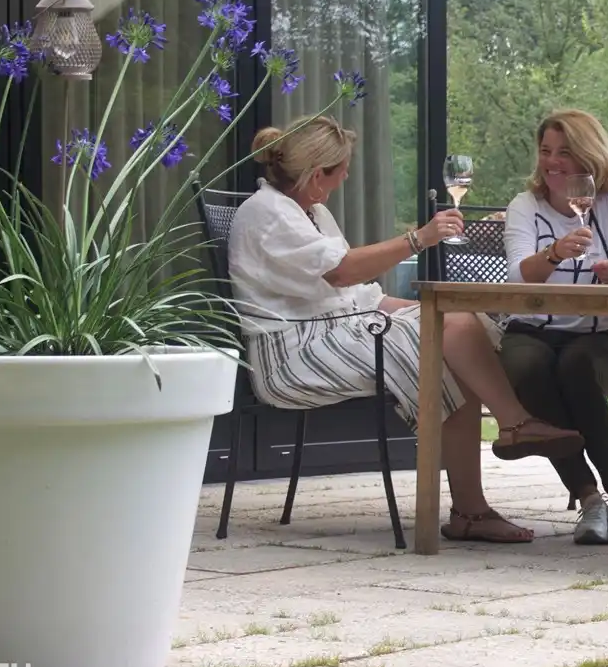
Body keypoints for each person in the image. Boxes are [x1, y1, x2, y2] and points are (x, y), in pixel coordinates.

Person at [227, 114, 584, 544]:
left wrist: (428, 309)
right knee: (443, 343)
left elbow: (359, 296)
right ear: (317, 175)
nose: (346, 177)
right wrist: (419, 239)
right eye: (342, 170)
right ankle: (495, 463)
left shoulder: (312, 212)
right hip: (294, 354)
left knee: (452, 326)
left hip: (337, 331)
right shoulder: (267, 214)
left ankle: (493, 468)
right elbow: (341, 272)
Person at [499, 109, 608, 544]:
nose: (552, 162)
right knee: (530, 367)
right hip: (531, 332)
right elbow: (516, 278)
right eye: (546, 151)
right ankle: (590, 498)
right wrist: (554, 253)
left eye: (564, 153)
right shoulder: (525, 207)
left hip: (598, 337)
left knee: (575, 367)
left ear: (590, 158)